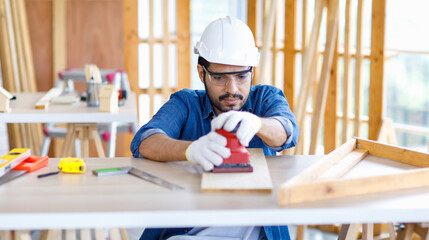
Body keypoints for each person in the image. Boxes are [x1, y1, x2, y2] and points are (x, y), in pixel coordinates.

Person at [131, 16, 299, 240]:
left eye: (241, 76)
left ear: (252, 72)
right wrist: (190, 150)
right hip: (189, 232)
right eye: (219, 77)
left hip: (256, 231)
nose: (232, 89)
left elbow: (287, 131)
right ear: (202, 73)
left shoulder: (265, 98)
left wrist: (258, 123)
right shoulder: (186, 104)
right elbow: (145, 141)